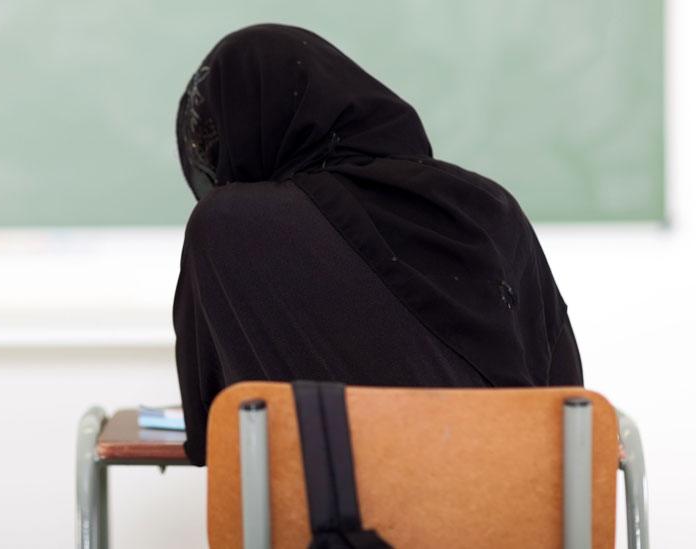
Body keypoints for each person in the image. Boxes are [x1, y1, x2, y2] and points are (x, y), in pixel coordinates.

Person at [173, 24, 582, 467]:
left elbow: (211, 430)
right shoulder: (489, 205)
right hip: (509, 520)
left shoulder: (228, 227)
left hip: (338, 532)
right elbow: (567, 402)